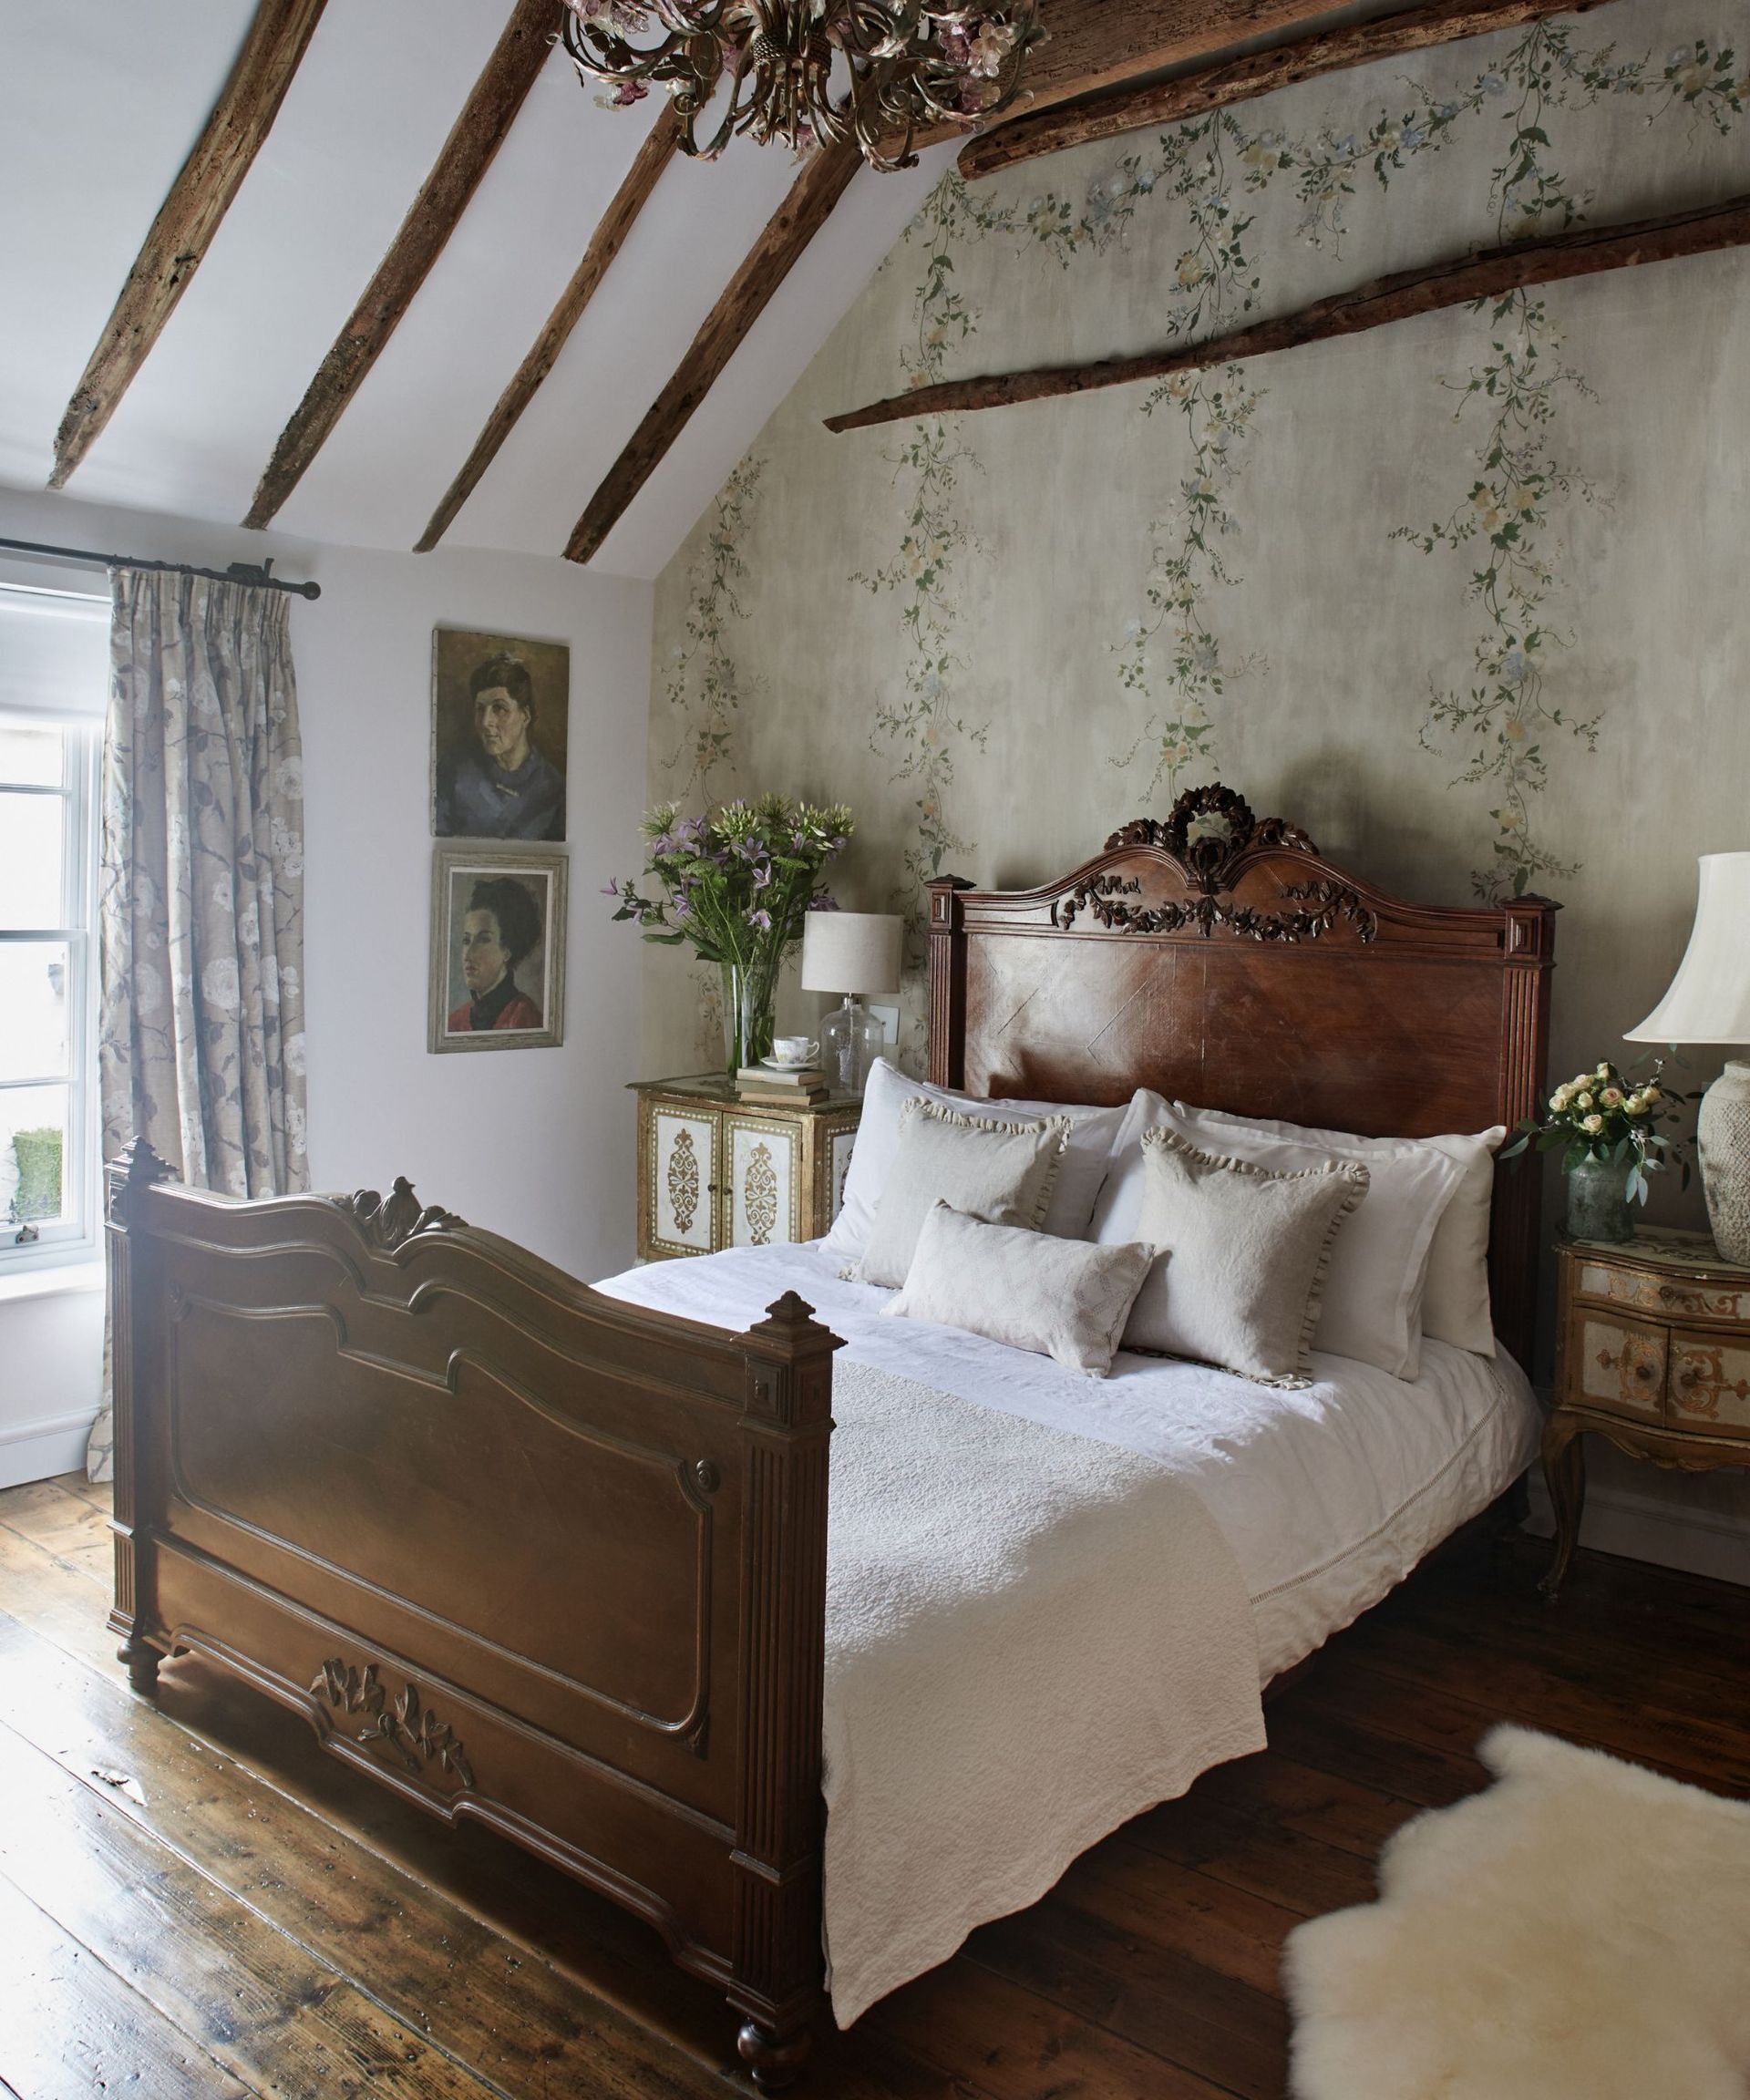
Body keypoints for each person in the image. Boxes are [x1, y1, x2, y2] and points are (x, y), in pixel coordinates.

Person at [435, 652, 565, 839]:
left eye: (500, 708)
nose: (485, 722)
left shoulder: (554, 789)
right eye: (480, 709)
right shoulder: (453, 770)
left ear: (525, 716)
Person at [447, 876, 543, 1033]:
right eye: (466, 940)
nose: (468, 954)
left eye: (483, 940)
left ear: (507, 950)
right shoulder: (454, 1021)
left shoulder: (525, 1018)